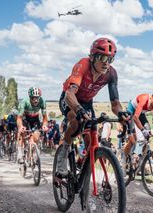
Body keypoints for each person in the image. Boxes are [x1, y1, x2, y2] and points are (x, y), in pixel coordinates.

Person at [57, 37, 128, 177]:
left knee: (91, 142)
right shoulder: (83, 64)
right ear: (93, 57)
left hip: (87, 102)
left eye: (110, 59)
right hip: (70, 99)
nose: (106, 63)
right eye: (102, 57)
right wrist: (78, 109)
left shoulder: (111, 74)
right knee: (76, 122)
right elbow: (70, 94)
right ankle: (63, 153)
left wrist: (121, 114)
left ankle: (80, 165)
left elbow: (115, 104)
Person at [124, 86, 153, 156]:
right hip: (131, 112)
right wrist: (142, 130)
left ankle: (140, 158)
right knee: (134, 139)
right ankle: (124, 159)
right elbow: (135, 117)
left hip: (140, 113)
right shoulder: (144, 98)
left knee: (148, 134)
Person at [17, 87, 48, 163]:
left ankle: (34, 152)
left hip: (35, 119)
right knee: (22, 133)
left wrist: (44, 125)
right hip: (25, 119)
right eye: (33, 98)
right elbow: (19, 117)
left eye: (37, 98)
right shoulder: (24, 102)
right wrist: (20, 126)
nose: (35, 100)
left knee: (36, 137)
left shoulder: (42, 101)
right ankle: (20, 152)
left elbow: (44, 117)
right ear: (30, 97)